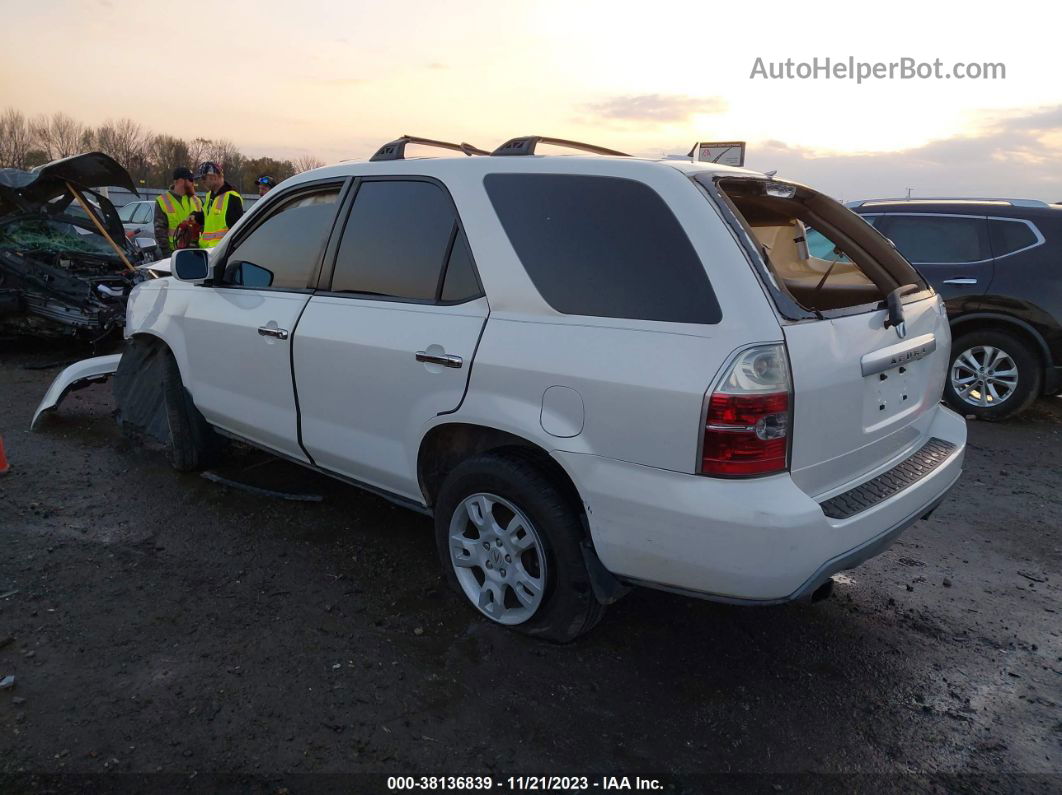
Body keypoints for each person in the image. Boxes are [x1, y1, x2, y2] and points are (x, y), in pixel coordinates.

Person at [153, 167, 202, 258]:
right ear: (181, 181)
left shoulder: (197, 201)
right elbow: (160, 232)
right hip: (174, 253)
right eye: (191, 180)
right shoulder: (163, 201)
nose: (193, 184)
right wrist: (167, 255)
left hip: (196, 252)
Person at [193, 161, 243, 248]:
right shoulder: (210, 196)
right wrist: (195, 217)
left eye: (204, 178)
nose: (202, 181)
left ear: (215, 177)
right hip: (207, 251)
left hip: (220, 253)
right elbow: (209, 218)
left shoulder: (232, 197)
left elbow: (237, 232)